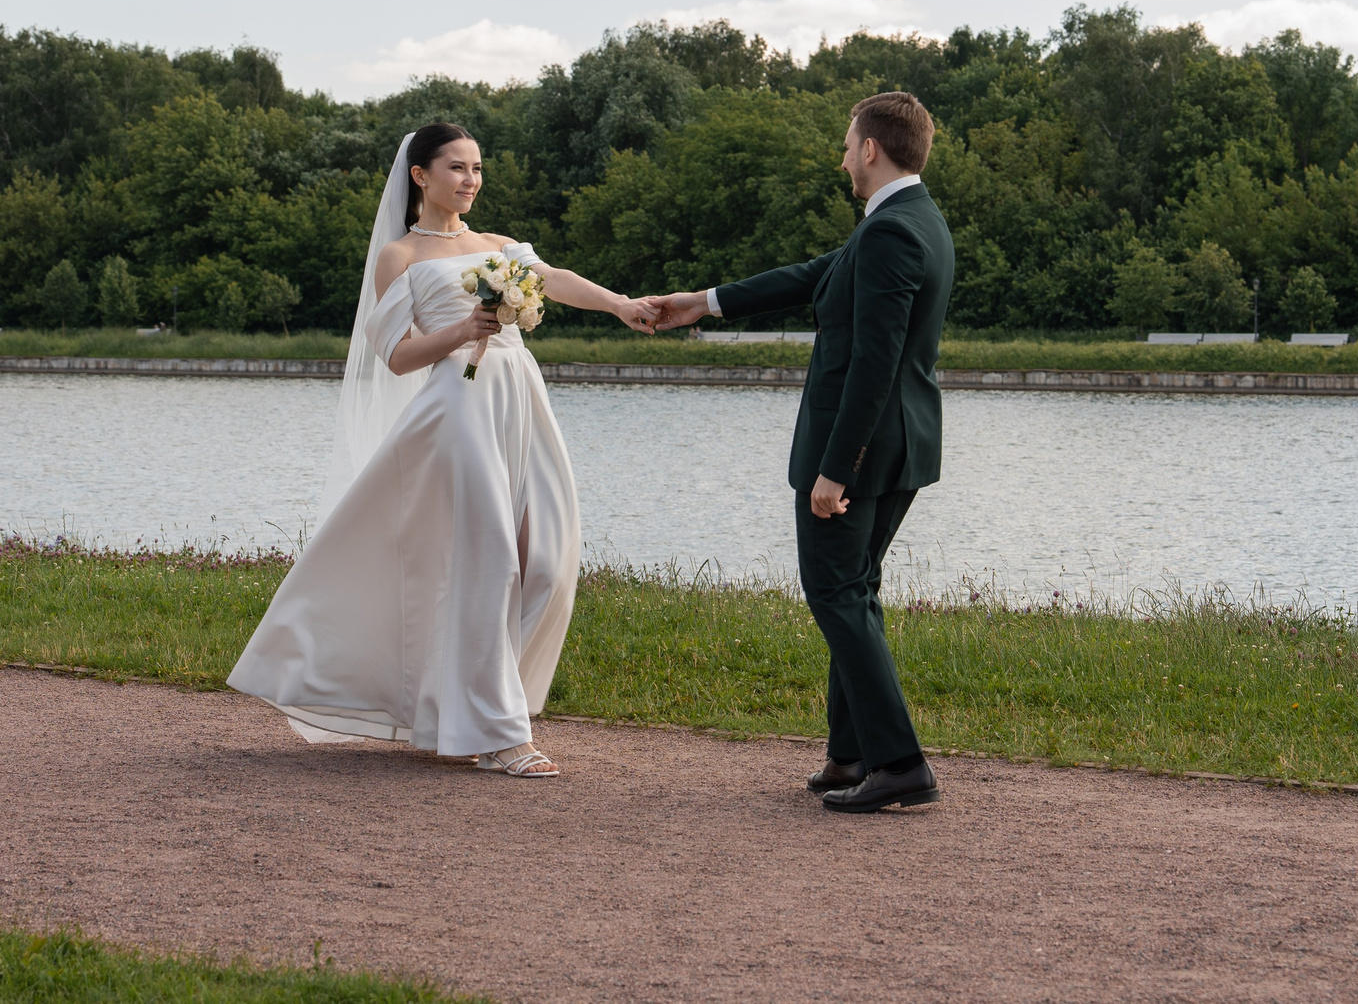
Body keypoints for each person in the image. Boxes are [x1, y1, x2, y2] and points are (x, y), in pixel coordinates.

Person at [230, 123, 659, 778]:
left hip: (521, 398)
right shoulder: (398, 256)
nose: (470, 179)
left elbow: (555, 277)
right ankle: (498, 732)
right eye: (456, 167)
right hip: (458, 403)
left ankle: (474, 708)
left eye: (477, 167)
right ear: (421, 176)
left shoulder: (498, 244)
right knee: (489, 565)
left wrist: (621, 305)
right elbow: (399, 355)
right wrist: (463, 328)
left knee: (548, 558)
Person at [651, 92, 956, 813]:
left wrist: (834, 468)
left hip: (861, 452)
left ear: (872, 150)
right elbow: (816, 273)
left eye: (848, 143)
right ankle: (852, 752)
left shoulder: (891, 231)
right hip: (900, 447)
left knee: (836, 593)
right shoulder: (911, 220)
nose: (843, 156)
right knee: (855, 591)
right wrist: (704, 301)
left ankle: (900, 764)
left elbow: (874, 363)